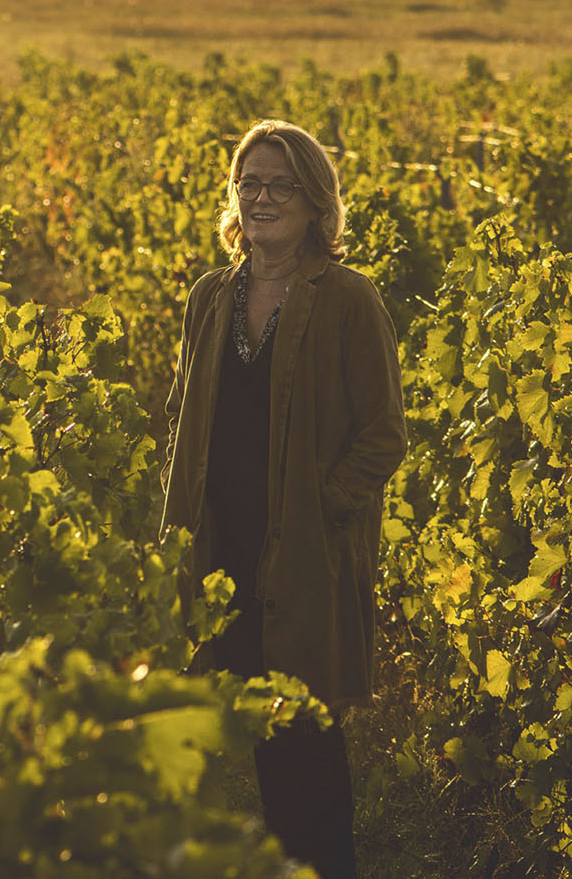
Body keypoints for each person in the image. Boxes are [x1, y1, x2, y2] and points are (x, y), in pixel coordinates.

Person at [161, 118, 406, 879]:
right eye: (250, 182)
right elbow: (183, 414)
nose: (262, 198)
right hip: (221, 552)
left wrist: (322, 514)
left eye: (281, 185)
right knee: (249, 735)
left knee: (307, 742)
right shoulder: (210, 296)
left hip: (301, 561)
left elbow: (383, 436)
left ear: (315, 203)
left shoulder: (347, 299)